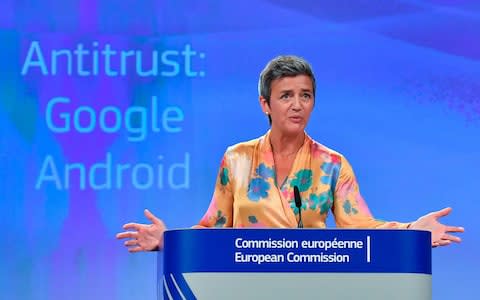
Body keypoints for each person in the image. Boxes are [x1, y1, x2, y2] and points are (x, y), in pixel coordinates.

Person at [116, 55, 464, 252]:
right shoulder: (236, 159)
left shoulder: (332, 165)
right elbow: (214, 228)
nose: (298, 105)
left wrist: (412, 231)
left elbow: (360, 226)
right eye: (286, 96)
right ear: (265, 104)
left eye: (306, 95)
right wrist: (169, 241)